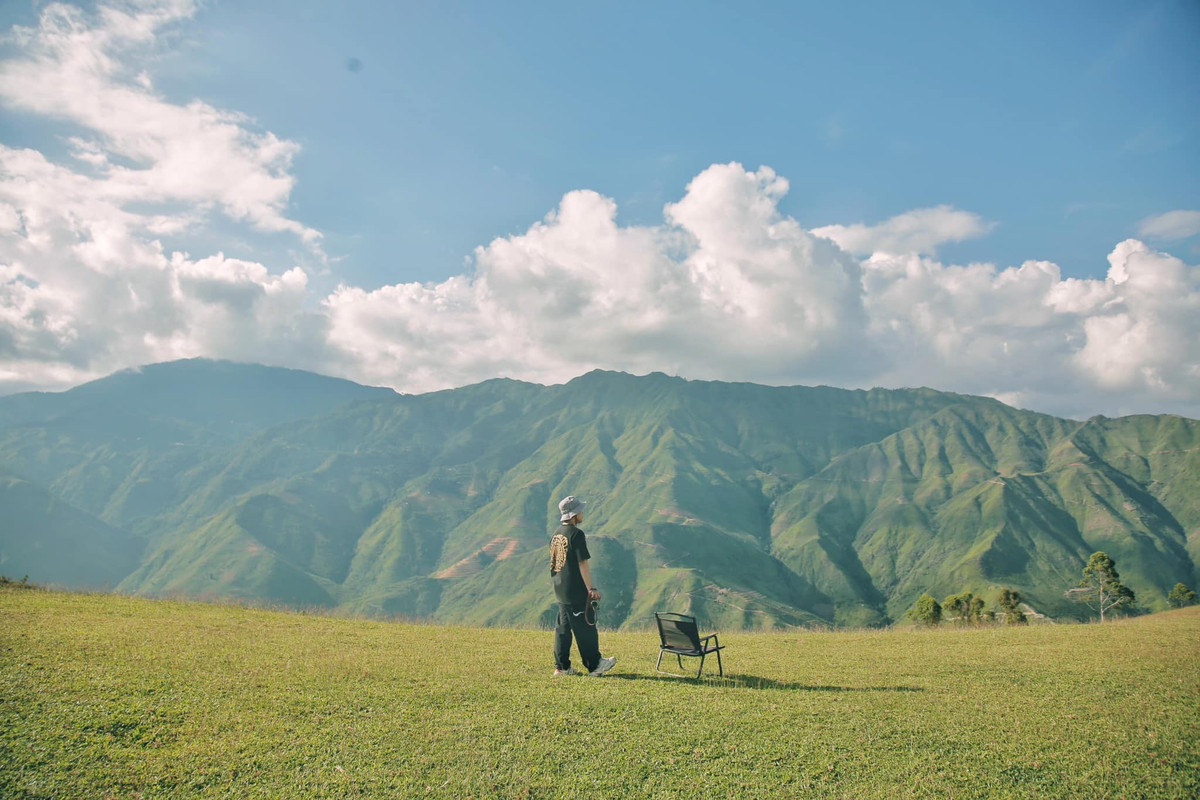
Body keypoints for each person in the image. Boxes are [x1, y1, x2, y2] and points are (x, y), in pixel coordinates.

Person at [550, 495, 616, 677]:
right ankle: (595, 665)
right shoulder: (576, 535)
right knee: (586, 627)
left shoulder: (556, 534)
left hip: (560, 589)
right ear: (574, 514)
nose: (582, 513)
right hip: (575, 590)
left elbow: (555, 562)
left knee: (563, 629)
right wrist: (591, 589)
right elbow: (582, 563)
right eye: (580, 510)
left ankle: (561, 667)